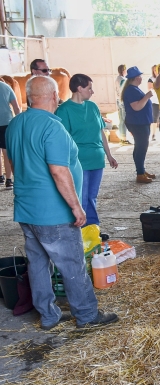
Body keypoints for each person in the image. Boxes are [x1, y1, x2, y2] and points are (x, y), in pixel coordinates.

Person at [6, 75, 119, 330]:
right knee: (72, 264)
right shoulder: (51, 126)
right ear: (55, 97)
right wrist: (76, 207)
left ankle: (48, 315)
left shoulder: (15, 124)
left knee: (37, 264)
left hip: (26, 209)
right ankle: (87, 315)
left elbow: (14, 163)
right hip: (53, 212)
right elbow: (59, 171)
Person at [56, 73, 118, 228]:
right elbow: (62, 140)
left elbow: (101, 132)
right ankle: (81, 231)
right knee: (81, 197)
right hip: (78, 162)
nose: (92, 91)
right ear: (79, 88)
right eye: (89, 88)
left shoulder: (93, 106)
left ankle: (93, 228)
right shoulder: (64, 111)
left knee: (92, 196)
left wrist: (109, 155)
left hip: (97, 159)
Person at [121, 66, 155, 184]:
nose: (141, 78)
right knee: (141, 147)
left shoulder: (133, 89)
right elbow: (136, 107)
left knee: (140, 147)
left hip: (140, 122)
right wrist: (147, 96)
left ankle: (141, 170)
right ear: (136, 78)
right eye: (140, 76)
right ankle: (140, 173)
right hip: (137, 123)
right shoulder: (131, 90)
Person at [0, 78, 20, 189]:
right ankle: (9, 179)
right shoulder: (6, 87)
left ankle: (0, 178)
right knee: (6, 151)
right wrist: (19, 121)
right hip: (6, 122)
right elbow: (16, 107)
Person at [114, 64, 131, 146]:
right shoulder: (123, 80)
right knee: (124, 120)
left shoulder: (117, 79)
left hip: (118, 100)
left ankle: (122, 138)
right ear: (123, 70)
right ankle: (124, 139)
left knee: (121, 120)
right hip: (123, 101)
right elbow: (124, 90)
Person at [147, 65, 160, 142]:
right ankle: (153, 134)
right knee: (154, 118)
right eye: (155, 70)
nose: (156, 72)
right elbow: (150, 88)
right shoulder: (151, 79)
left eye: (157, 70)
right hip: (155, 101)